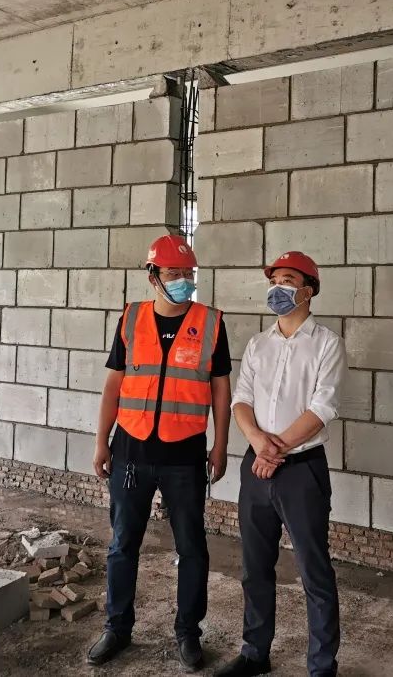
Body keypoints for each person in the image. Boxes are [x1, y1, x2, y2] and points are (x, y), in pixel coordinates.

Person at [87, 235, 232, 672]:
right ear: (153, 276)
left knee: (192, 548)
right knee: (122, 545)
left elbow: (220, 390)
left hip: (185, 456)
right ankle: (117, 628)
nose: (183, 280)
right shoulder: (131, 319)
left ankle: (188, 633)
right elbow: (113, 385)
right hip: (130, 451)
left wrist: (221, 445)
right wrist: (101, 440)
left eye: (189, 273)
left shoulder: (211, 322)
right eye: (174, 273)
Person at [216, 251, 345, 677]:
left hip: (302, 470)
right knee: (255, 567)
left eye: (287, 280)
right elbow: (241, 400)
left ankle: (322, 666)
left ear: (308, 290)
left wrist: (277, 450)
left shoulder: (327, 344)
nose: (278, 287)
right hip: (256, 467)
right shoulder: (259, 344)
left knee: (314, 571)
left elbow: (322, 408)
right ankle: (255, 652)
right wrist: (258, 443)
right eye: (274, 280)